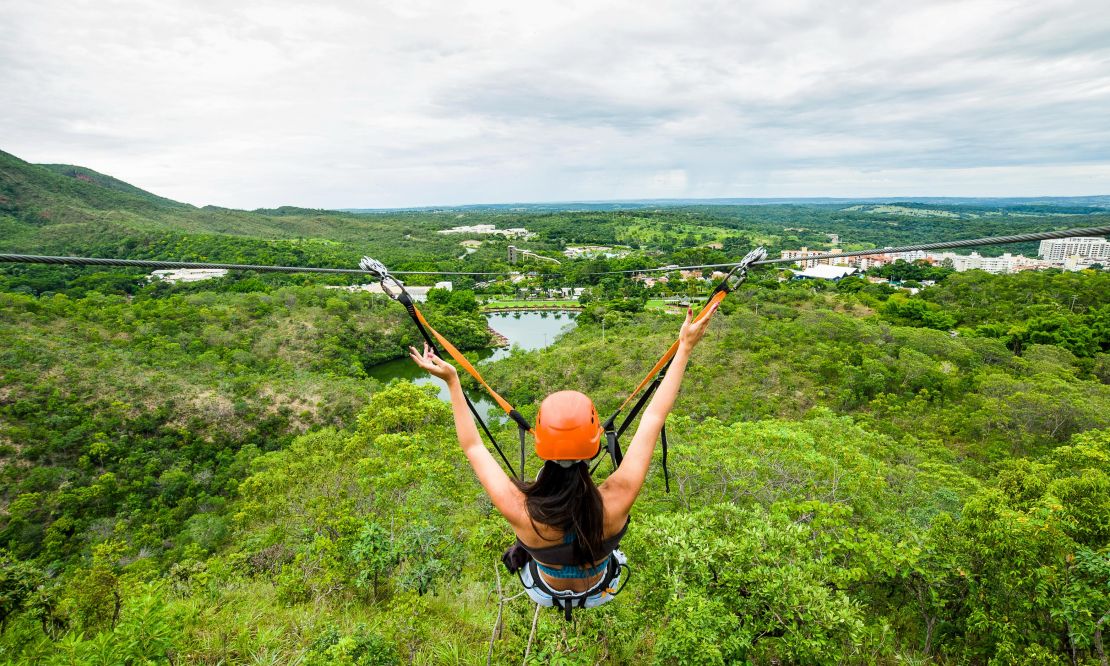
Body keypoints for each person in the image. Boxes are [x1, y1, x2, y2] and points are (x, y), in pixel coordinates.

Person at [408, 303, 717, 612]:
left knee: (529, 554)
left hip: (543, 590)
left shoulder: (521, 510)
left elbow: (473, 446)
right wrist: (685, 347)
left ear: (542, 444)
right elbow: (653, 417)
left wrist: (452, 380)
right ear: (594, 445)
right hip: (600, 590)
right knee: (611, 559)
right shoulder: (617, 499)